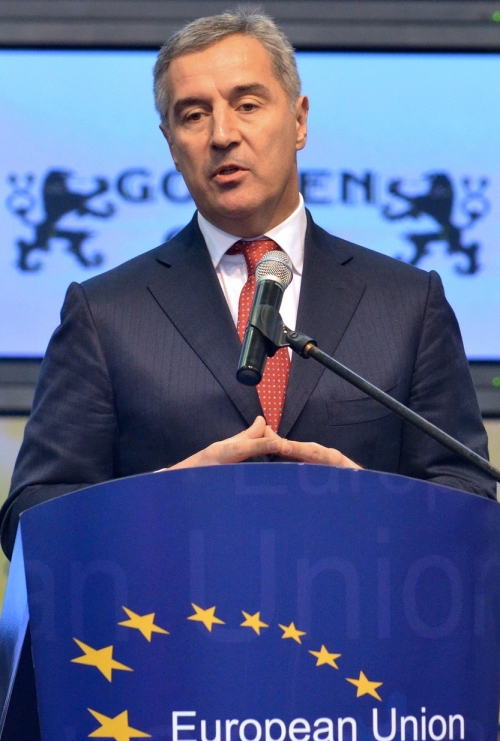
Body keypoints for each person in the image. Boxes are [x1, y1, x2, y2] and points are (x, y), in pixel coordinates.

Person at [0, 9, 495, 559]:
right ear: (171, 144)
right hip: (175, 610)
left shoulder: (407, 304)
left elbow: (471, 497)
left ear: (300, 121)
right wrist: (161, 497)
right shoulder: (104, 312)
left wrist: (370, 500)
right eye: (194, 115)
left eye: (248, 105)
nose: (222, 135)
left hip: (359, 603)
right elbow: (29, 516)